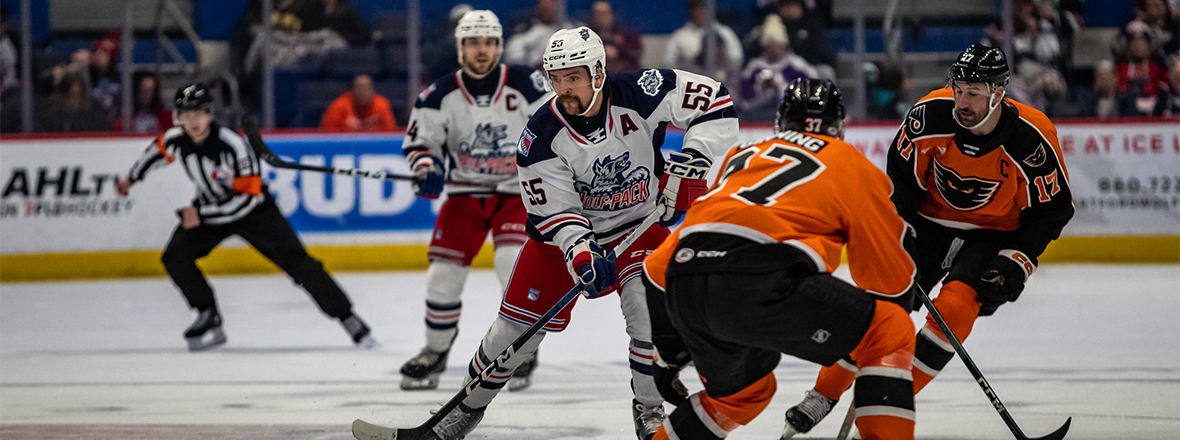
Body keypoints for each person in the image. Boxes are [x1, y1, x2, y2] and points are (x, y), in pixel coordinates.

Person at [422, 26, 738, 440]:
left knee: (647, 318)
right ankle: (466, 409)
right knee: (512, 335)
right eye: (556, 79)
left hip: (639, 229)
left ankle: (648, 408)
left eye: (573, 77)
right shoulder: (540, 138)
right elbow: (558, 213)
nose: (564, 88)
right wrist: (581, 252)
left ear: (598, 73)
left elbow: (716, 100)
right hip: (560, 245)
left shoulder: (643, 92)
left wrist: (696, 156)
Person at [782, 44, 1074, 437]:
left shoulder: (1032, 140)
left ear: (999, 93)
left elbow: (1051, 209)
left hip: (993, 233)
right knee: (882, 309)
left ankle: (884, 399)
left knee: (955, 310)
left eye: (974, 92)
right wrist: (899, 234)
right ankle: (823, 394)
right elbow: (901, 184)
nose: (962, 100)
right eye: (958, 88)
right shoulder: (927, 117)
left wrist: (1017, 260)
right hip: (928, 223)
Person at [642, 78, 920, 440]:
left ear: (780, 122)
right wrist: (904, 274)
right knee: (891, 330)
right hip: (760, 275)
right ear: (839, 126)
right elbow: (890, 282)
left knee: (742, 395)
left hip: (685, 281)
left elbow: (656, 270)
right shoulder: (848, 160)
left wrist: (666, 349)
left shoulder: (741, 157)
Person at [115, 83, 375, 351]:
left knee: (298, 263)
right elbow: (154, 153)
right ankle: (208, 314)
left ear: (209, 113)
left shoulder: (232, 144)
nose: (192, 121)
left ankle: (349, 319)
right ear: (178, 118)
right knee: (175, 257)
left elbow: (247, 198)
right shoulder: (175, 139)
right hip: (211, 210)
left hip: (255, 213)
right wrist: (131, 178)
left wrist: (201, 214)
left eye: (198, 114)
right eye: (186, 115)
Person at [397, 9, 552, 392]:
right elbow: (421, 143)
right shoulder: (438, 94)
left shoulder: (528, 84)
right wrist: (426, 167)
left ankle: (522, 350)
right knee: (442, 279)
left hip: (518, 193)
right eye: (472, 43)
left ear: (499, 46)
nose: (481, 50)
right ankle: (434, 352)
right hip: (465, 195)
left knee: (510, 264)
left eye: (488, 42)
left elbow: (555, 127)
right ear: (460, 48)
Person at [664, 0, 743, 73]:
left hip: (719, 81)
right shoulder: (679, 36)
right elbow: (669, 63)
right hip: (689, 82)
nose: (700, 12)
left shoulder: (725, 32)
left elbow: (737, 59)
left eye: (703, 7)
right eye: (696, 8)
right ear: (691, 11)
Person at [503, 0, 579, 69]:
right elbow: (514, 63)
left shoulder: (573, 30)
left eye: (553, 2)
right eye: (543, 3)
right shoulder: (524, 32)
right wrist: (538, 64)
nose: (548, 6)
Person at [320, 74, 397, 132]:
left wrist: (375, 128)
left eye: (366, 89)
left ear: (372, 90)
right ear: (352, 90)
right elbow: (325, 131)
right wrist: (343, 125)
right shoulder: (339, 105)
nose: (363, 93)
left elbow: (391, 130)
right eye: (359, 88)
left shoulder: (381, 104)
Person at [589, 1, 643, 72]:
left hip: (624, 74)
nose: (600, 17)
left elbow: (635, 54)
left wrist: (619, 48)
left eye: (603, 13)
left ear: (612, 14)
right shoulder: (588, 34)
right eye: (597, 13)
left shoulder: (626, 33)